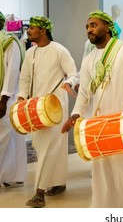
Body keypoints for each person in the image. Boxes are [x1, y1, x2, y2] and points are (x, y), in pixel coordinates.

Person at [61, 10, 123, 208]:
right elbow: (84, 92)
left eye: (93, 25)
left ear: (108, 27)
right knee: (101, 173)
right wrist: (76, 113)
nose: (89, 30)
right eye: (87, 27)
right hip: (98, 125)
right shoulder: (89, 59)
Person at [18, 16, 78, 208]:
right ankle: (59, 182)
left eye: (32, 28)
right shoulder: (30, 53)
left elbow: (73, 73)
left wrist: (69, 83)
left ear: (43, 30)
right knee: (46, 145)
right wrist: (21, 97)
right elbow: (25, 78)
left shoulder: (59, 50)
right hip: (35, 107)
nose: (28, 31)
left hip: (55, 105)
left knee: (48, 146)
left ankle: (39, 192)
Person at [0, 7, 26, 198]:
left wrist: (4, 99)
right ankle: (11, 176)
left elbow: (12, 72)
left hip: (4, 100)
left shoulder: (10, 42)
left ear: (0, 23)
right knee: (9, 141)